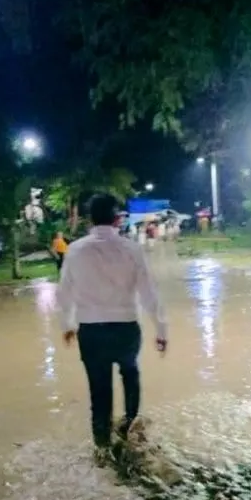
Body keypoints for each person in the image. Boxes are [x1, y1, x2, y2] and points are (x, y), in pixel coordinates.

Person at [58, 193, 168, 451]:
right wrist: (160, 329)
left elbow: (64, 292)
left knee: (99, 390)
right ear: (118, 218)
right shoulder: (131, 248)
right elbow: (149, 292)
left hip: (91, 331)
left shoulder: (74, 250)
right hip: (125, 328)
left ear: (89, 219)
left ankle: (102, 447)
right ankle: (130, 426)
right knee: (130, 373)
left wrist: (67, 325)